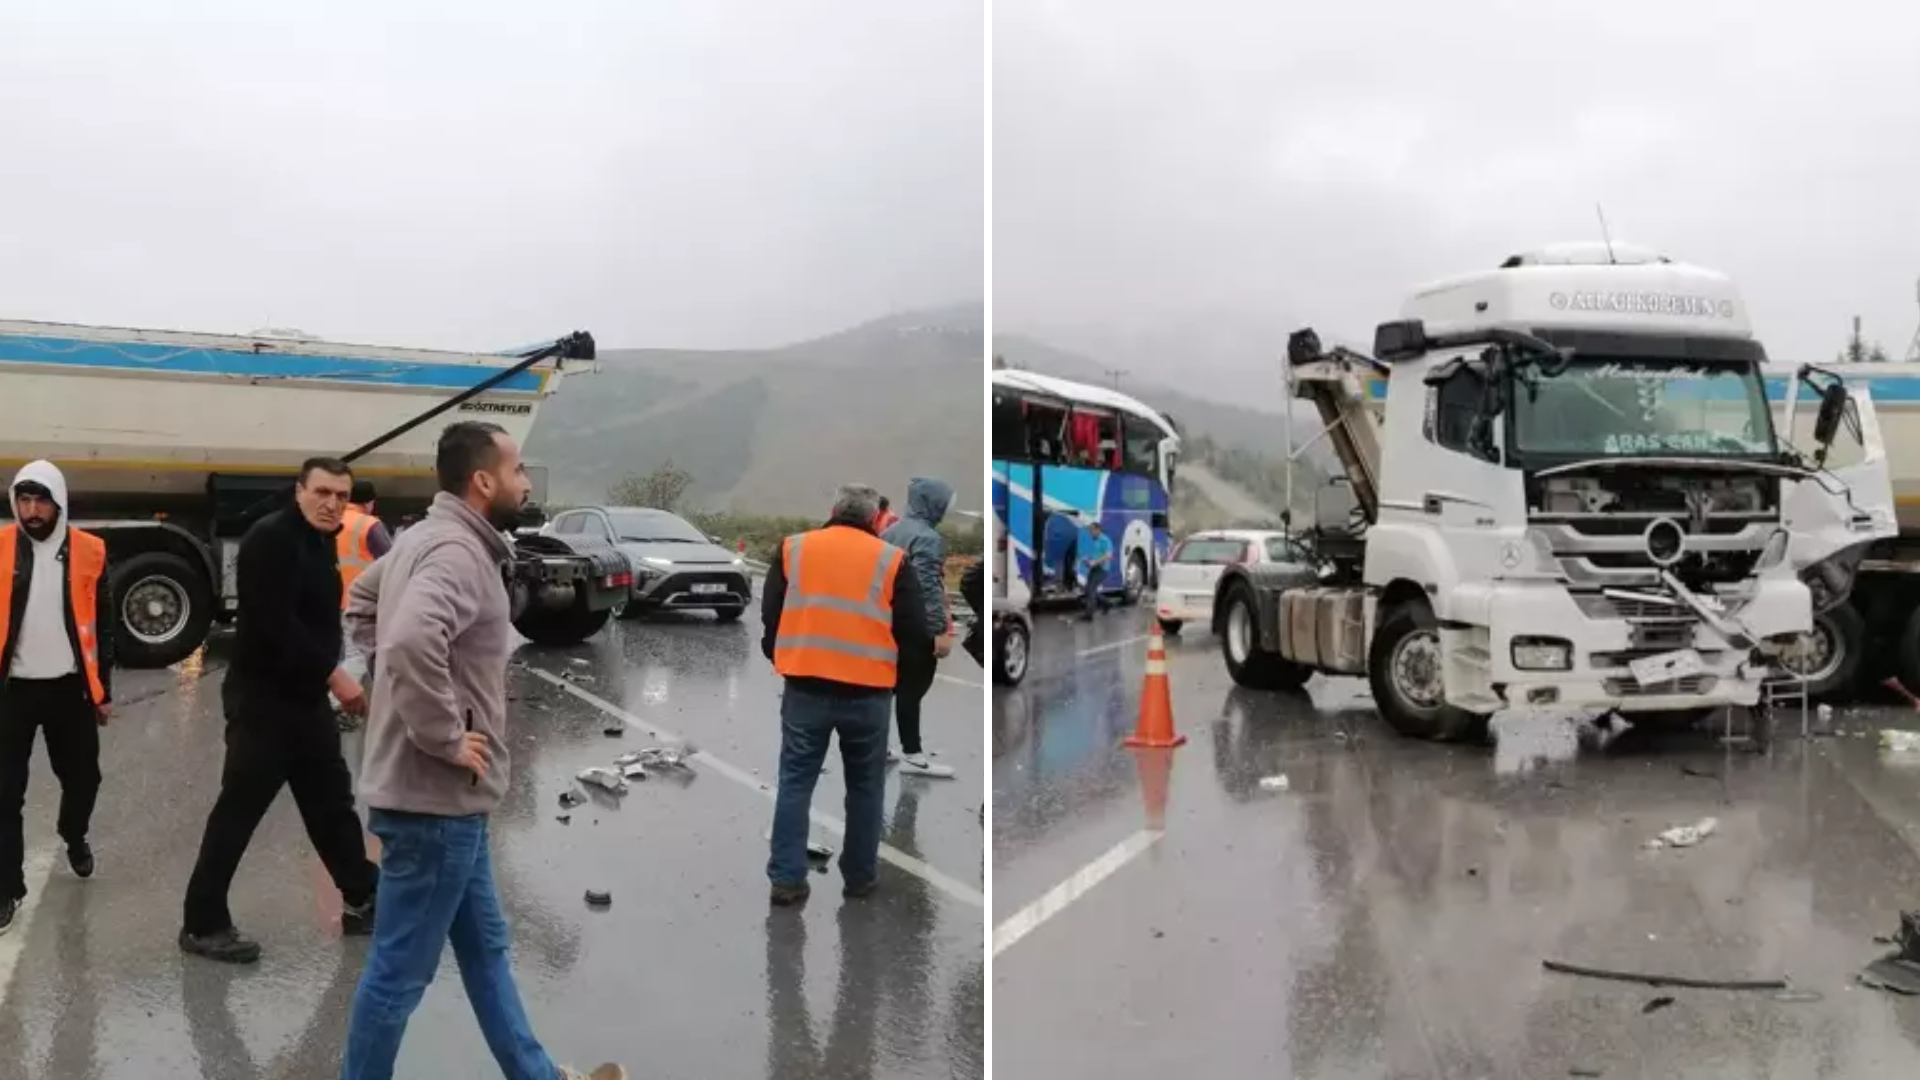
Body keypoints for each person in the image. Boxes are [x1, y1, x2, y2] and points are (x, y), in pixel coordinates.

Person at [339, 421, 625, 1080]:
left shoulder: (426, 539)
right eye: (519, 469)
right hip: (432, 801)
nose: (526, 481)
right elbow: (411, 640)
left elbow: (363, 602)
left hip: (449, 805)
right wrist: (440, 730)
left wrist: (396, 689)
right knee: (396, 977)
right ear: (483, 480)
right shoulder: (455, 553)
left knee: (488, 950)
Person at [179, 457, 380, 964]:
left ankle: (362, 896)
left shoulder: (320, 540)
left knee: (331, 805)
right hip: (264, 703)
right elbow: (273, 622)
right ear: (299, 491)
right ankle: (202, 923)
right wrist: (336, 676)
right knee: (238, 813)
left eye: (340, 495)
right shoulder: (271, 538)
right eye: (322, 492)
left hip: (305, 702)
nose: (331, 502)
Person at [762, 483, 930, 906]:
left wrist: (785, 658)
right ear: (876, 519)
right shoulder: (893, 561)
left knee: (795, 783)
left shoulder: (793, 549)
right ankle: (859, 878)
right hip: (869, 694)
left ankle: (786, 880)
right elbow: (915, 635)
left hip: (805, 687)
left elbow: (772, 619)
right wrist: (902, 684)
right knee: (866, 788)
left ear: (833, 509)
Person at [0, 461, 113, 935]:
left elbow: (102, 627)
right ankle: (7, 888)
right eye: (24, 501)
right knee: (5, 795)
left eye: (40, 501)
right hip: (13, 691)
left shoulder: (90, 551)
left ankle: (74, 833)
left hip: (70, 690)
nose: (31, 511)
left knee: (84, 778)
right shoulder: (2, 546)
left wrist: (102, 688)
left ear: (58, 502)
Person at [880, 478, 956, 778]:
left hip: (887, 623)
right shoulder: (928, 539)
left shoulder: (888, 533)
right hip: (916, 628)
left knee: (887, 688)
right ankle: (913, 754)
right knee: (913, 690)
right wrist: (939, 630)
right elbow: (928, 587)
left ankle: (881, 746)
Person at [334, 480, 393, 728]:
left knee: (339, 655)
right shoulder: (369, 525)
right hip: (361, 602)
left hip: (332, 598)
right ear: (369, 502)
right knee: (358, 656)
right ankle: (335, 705)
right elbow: (393, 563)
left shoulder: (333, 519)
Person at [1079, 520, 1114, 620]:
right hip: (1094, 568)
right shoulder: (1095, 540)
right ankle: (1107, 603)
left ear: (1098, 530)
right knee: (1088, 589)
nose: (1090, 532)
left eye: (1092, 530)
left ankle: (1089, 614)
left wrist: (1095, 562)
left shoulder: (1105, 540)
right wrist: (1087, 560)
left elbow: (1108, 555)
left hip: (1102, 569)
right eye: (1089, 530)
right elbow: (1095, 554)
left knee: (1091, 590)